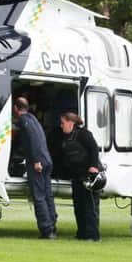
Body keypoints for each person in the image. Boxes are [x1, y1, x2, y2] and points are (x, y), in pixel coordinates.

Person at [13, 97, 57, 239]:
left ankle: (46, 229)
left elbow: (32, 139)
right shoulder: (33, 119)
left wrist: (36, 160)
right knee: (48, 195)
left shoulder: (23, 121)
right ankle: (52, 224)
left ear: (15, 108)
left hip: (37, 162)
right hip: (47, 160)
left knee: (39, 196)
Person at [60, 112, 103, 242]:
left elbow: (93, 148)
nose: (61, 126)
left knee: (90, 206)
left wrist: (93, 167)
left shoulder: (84, 134)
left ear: (70, 122)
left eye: (63, 123)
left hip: (89, 176)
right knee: (79, 206)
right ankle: (82, 233)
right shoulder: (66, 138)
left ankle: (93, 235)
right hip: (76, 176)